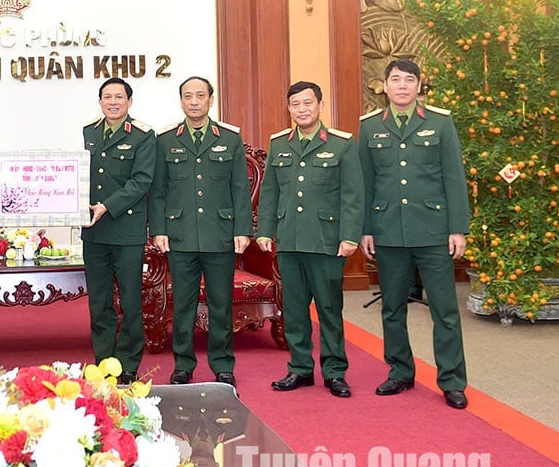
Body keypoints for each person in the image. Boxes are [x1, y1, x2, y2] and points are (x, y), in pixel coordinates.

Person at [359, 59, 471, 409]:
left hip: (433, 231)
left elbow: (454, 178)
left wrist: (458, 228)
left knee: (445, 310)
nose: (403, 86)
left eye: (410, 80)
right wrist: (365, 229)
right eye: (396, 80)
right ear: (385, 86)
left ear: (419, 86)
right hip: (388, 231)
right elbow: (365, 182)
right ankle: (400, 372)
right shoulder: (369, 127)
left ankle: (452, 380)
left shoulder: (440, 122)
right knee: (393, 308)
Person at [257, 81, 363, 398]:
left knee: (329, 309)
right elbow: (270, 192)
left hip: (326, 240)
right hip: (289, 240)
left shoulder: (342, 144)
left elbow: (353, 195)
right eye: (295, 104)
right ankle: (300, 368)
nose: (302, 109)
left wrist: (349, 236)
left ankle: (334, 372)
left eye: (308, 103)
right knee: (294, 309)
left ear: (320, 105)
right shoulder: (279, 144)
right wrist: (264, 231)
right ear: (288, 109)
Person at [149, 76, 250, 387]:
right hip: (180, 236)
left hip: (220, 234)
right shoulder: (165, 139)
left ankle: (223, 365)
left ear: (210, 99)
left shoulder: (230, 139)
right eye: (188, 96)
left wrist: (242, 229)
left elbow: (239, 188)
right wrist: (159, 229)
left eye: (200, 95)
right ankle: (183, 364)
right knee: (183, 303)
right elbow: (159, 190)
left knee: (221, 303)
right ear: (181, 101)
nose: (194, 101)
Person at [82, 77, 156, 384]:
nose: (113, 102)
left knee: (129, 302)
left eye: (119, 97)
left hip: (126, 230)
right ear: (100, 101)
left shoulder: (143, 135)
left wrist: (106, 206)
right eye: (107, 97)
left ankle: (127, 363)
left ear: (129, 102)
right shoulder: (89, 131)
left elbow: (141, 181)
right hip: (94, 233)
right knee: (98, 302)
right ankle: (104, 362)